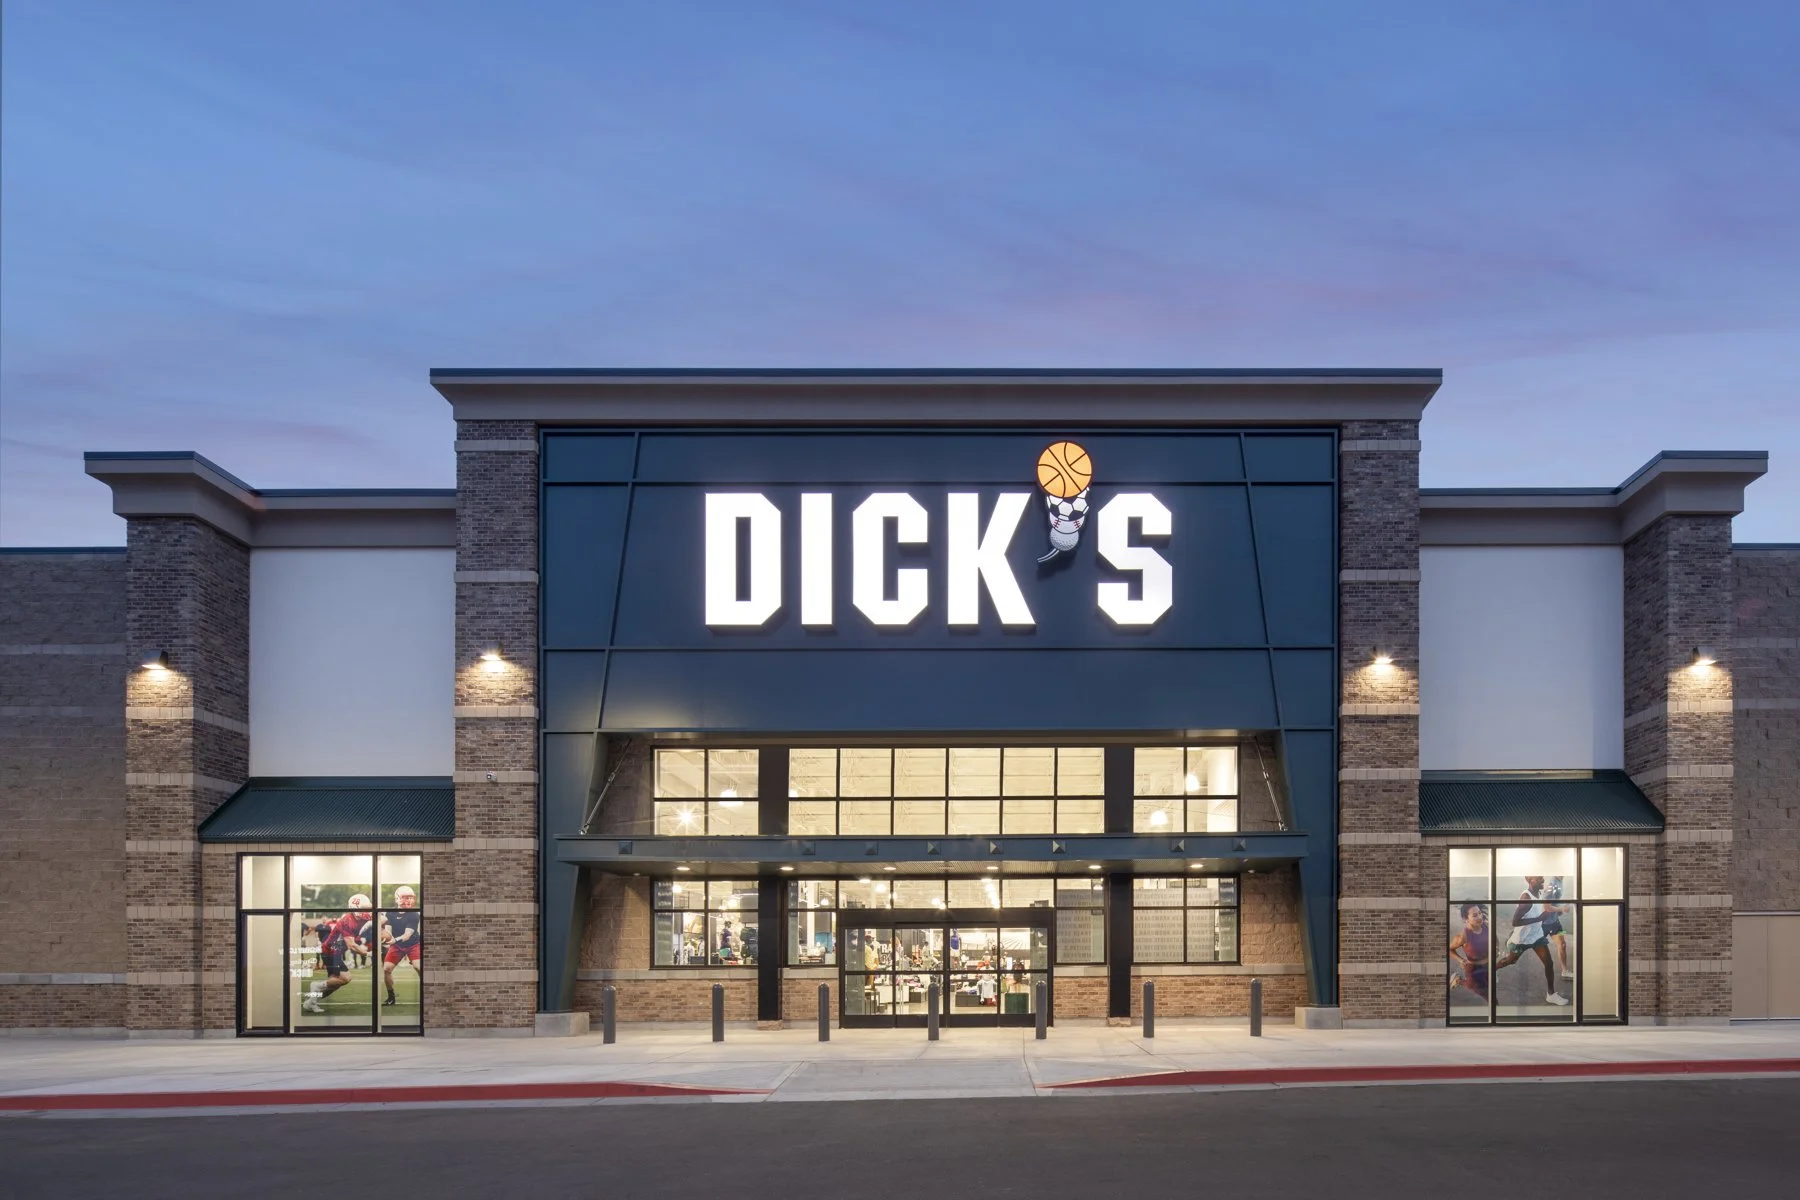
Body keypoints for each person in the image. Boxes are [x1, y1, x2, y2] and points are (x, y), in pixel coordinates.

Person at [1493, 875, 1571, 1006]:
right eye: (1539, 878)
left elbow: (1542, 908)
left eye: (1542, 877)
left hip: (1537, 936)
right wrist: (1539, 918)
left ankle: (1551, 995)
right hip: (1522, 938)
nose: (1543, 880)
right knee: (1510, 961)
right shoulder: (1526, 898)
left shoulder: (1539, 893)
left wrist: (1557, 911)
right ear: (1530, 881)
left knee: (1549, 963)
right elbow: (1515, 921)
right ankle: (1492, 970)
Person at [302, 894, 373, 1014]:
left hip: (336, 951)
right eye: (363, 908)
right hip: (330, 951)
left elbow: (381, 919)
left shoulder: (362, 917)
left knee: (335, 984)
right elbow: (351, 945)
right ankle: (316, 986)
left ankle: (311, 1002)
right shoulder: (347, 921)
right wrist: (367, 954)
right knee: (346, 978)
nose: (367, 911)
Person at [381, 885, 422, 1007]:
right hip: (397, 945)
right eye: (405, 897)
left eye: (410, 897)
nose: (408, 900)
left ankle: (425, 990)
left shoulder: (414, 914)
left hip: (413, 944)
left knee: (419, 967)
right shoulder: (390, 913)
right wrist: (384, 937)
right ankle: (391, 996)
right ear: (397, 899)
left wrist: (394, 940)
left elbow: (407, 935)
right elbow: (388, 932)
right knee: (386, 969)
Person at [1447, 903, 1490, 1002]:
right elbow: (1449, 949)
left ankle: (1459, 980)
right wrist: (1461, 960)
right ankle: (1458, 980)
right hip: (1474, 971)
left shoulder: (1486, 927)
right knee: (1490, 998)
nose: (1479, 917)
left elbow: (1493, 940)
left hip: (1487, 967)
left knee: (1489, 988)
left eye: (1479, 913)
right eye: (1474, 915)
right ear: (1466, 919)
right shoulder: (1463, 937)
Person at [1541, 876, 1573, 976]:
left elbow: (1553, 901)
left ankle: (1565, 971)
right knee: (1525, 945)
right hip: (1542, 923)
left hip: (1555, 922)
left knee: (1562, 944)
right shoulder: (1551, 884)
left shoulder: (1560, 880)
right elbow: (1546, 907)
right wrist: (1561, 909)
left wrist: (1560, 909)